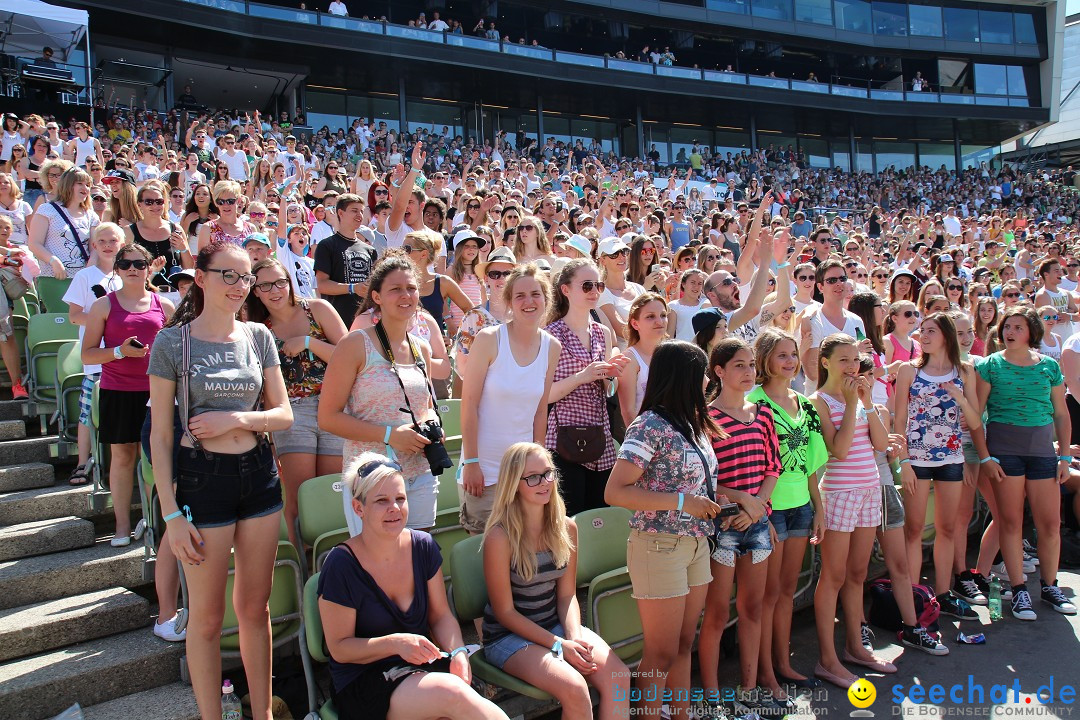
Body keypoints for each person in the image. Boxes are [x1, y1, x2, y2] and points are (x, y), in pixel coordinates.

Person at [148, 240, 292, 720]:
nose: (239, 286)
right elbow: (161, 438)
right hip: (200, 479)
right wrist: (170, 512)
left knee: (256, 610)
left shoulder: (257, 336)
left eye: (246, 276)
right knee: (207, 619)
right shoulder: (173, 342)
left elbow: (283, 414)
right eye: (227, 275)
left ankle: (263, 714)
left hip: (258, 475)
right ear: (201, 277)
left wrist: (237, 419)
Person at [318, 453, 508, 720]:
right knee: (452, 695)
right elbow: (340, 647)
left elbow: (441, 615)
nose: (394, 508)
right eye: (381, 501)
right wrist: (395, 643)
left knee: (456, 695)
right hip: (365, 679)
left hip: (419, 665)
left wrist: (458, 652)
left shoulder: (423, 546)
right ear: (358, 508)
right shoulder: (340, 564)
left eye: (400, 499)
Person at [604, 340, 722, 720]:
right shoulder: (650, 424)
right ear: (685, 376)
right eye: (702, 371)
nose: (707, 379)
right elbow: (615, 491)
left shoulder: (693, 421)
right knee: (661, 651)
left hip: (695, 543)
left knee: (684, 643)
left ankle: (681, 714)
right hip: (659, 544)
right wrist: (684, 502)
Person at [482, 442, 629, 719]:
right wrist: (560, 645)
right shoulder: (499, 538)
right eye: (533, 477)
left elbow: (566, 596)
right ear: (514, 484)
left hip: (554, 625)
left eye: (549, 473)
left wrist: (573, 637)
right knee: (574, 687)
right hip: (507, 637)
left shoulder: (567, 527)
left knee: (618, 677)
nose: (545, 482)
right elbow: (505, 613)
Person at [320, 256, 444, 534]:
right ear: (376, 296)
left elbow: (427, 406)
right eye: (395, 289)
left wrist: (433, 424)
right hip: (372, 478)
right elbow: (327, 418)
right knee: (377, 568)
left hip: (421, 473)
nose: (406, 295)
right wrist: (390, 435)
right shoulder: (354, 344)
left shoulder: (421, 348)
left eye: (411, 288)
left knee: (418, 560)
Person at [697, 338, 786, 714]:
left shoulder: (762, 413)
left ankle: (748, 690)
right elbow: (704, 477)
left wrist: (757, 506)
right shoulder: (705, 418)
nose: (749, 371)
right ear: (719, 371)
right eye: (739, 365)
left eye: (751, 364)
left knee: (752, 607)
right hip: (722, 527)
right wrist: (742, 500)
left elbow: (773, 466)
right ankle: (713, 697)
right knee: (717, 613)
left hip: (757, 524)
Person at [975, 305, 1077, 619]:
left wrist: (1063, 457)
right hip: (1004, 452)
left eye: (1018, 327)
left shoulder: (1049, 366)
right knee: (1011, 522)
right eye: (1007, 326)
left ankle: (1050, 587)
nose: (1010, 332)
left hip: (1043, 452)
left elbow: (1061, 413)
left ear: (1031, 332)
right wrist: (985, 456)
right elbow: (977, 416)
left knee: (1050, 524)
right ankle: (1019, 590)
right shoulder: (990, 365)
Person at [809, 334, 894, 688]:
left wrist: (866, 403)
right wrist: (848, 400)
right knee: (834, 576)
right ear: (825, 361)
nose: (851, 366)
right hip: (839, 493)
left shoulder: (859, 395)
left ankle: (855, 647)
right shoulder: (818, 401)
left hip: (869, 489)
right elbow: (838, 451)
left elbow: (880, 443)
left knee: (859, 573)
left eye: (854, 359)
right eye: (843, 359)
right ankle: (827, 660)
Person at [747, 329, 828, 694]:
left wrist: (819, 507)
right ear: (765, 359)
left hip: (800, 508)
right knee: (766, 595)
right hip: (769, 512)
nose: (791, 361)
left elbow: (811, 465)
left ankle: (782, 663)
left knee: (785, 591)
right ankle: (764, 672)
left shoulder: (805, 402)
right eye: (782, 355)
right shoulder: (754, 402)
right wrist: (762, 512)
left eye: (793, 354)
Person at [246, 257, 347, 544]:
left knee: (331, 492)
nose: (275, 290)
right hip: (291, 414)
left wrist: (308, 342)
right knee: (299, 497)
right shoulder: (256, 328)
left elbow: (350, 356)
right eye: (265, 285)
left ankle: (332, 563)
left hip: (333, 407)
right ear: (255, 291)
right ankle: (303, 568)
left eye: (280, 282)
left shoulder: (316, 308)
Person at [894, 313, 988, 622]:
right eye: (922, 330)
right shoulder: (909, 370)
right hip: (917, 462)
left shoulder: (965, 371)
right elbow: (899, 422)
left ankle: (944, 593)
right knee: (914, 530)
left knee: (947, 529)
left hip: (952, 459)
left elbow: (974, 423)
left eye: (930, 330)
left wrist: (961, 399)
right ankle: (912, 596)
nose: (923, 335)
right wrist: (904, 462)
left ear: (945, 335)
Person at [82, 243, 174, 546]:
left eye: (138, 263)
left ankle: (150, 519)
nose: (132, 268)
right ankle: (122, 526)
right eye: (124, 264)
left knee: (157, 460)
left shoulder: (165, 305)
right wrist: (120, 352)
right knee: (122, 458)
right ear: (116, 269)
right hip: (118, 391)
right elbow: (88, 355)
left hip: (157, 393)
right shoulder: (103, 305)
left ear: (149, 267)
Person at [460, 264, 559, 534]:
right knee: (485, 563)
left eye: (536, 294)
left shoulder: (552, 346)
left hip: (526, 475)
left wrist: (540, 469)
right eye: (520, 296)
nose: (529, 302)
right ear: (509, 302)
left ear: (546, 299)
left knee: (523, 563)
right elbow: (468, 403)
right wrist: (471, 463)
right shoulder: (488, 339)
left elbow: (541, 412)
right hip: (485, 472)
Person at [545, 259, 628, 516]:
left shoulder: (603, 332)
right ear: (566, 290)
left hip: (599, 437)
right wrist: (583, 376)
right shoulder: (550, 334)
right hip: (563, 439)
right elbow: (544, 395)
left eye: (599, 285)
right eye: (587, 285)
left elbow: (608, 391)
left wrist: (611, 377)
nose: (594, 291)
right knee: (570, 518)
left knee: (599, 515)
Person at [64, 223, 126, 484]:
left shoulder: (129, 275)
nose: (108, 245)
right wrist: (105, 318)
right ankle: (82, 463)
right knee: (87, 411)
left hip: (124, 358)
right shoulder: (85, 276)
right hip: (96, 357)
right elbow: (75, 316)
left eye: (113, 240)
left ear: (122, 244)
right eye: (102, 240)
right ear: (94, 245)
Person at [313, 193, 377, 327]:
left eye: (361, 211)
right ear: (340, 213)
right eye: (354, 211)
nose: (359, 215)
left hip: (365, 321)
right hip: (336, 321)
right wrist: (353, 288)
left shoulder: (370, 250)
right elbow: (322, 285)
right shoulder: (327, 245)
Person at [27, 166, 97, 278]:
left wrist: (90, 268)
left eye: (88, 185)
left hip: (81, 279)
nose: (85, 188)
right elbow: (34, 243)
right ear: (67, 185)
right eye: (80, 183)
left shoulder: (91, 215)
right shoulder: (47, 210)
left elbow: (95, 248)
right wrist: (53, 261)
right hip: (54, 277)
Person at [618, 293, 668, 426]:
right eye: (650, 316)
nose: (659, 321)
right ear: (635, 323)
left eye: (663, 315)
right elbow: (628, 411)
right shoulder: (630, 358)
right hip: (645, 436)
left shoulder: (673, 352)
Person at [196, 180, 255, 252]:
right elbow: (202, 261)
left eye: (230, 201)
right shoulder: (208, 228)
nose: (225, 205)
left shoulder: (251, 228)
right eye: (220, 202)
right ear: (215, 203)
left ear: (238, 201)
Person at [667, 269, 709, 341]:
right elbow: (670, 334)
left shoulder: (706, 303)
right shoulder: (673, 306)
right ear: (683, 284)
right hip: (680, 349)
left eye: (700, 283)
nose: (696, 286)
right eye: (693, 282)